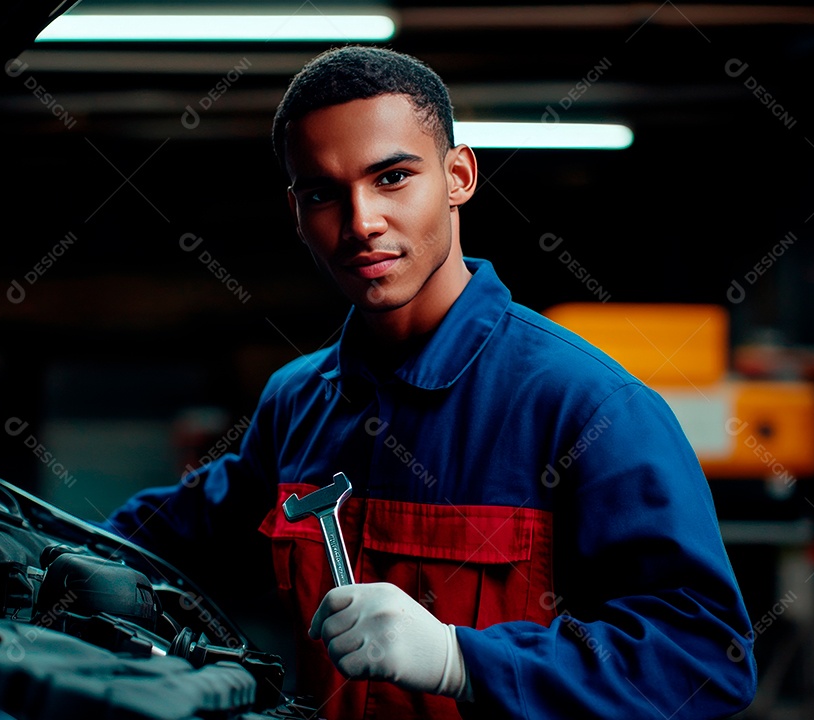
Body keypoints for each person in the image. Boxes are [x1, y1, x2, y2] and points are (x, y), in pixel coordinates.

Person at [100, 45, 758, 719]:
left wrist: (461, 659)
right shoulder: (297, 404)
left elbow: (704, 658)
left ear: (459, 176)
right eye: (324, 193)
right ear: (296, 212)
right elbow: (161, 536)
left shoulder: (588, 408)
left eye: (392, 177)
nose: (361, 223)